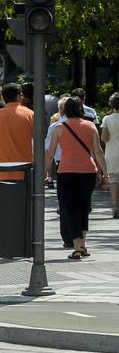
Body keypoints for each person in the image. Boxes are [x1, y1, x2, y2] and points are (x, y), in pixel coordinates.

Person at [45, 97, 105, 259]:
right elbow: (98, 152)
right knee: (84, 208)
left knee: (71, 209)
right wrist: (104, 173)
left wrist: (45, 171)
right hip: (88, 172)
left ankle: (77, 247)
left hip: (66, 172)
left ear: (64, 110)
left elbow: (50, 153)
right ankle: (83, 245)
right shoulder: (91, 126)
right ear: (81, 110)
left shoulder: (59, 128)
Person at [0, 82, 33, 183]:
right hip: (25, 171)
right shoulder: (30, 114)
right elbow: (39, 141)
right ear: (19, 96)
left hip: (1, 171)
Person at [101, 92, 119, 219]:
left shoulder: (107, 119)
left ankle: (114, 206)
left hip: (112, 153)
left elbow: (104, 138)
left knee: (113, 180)